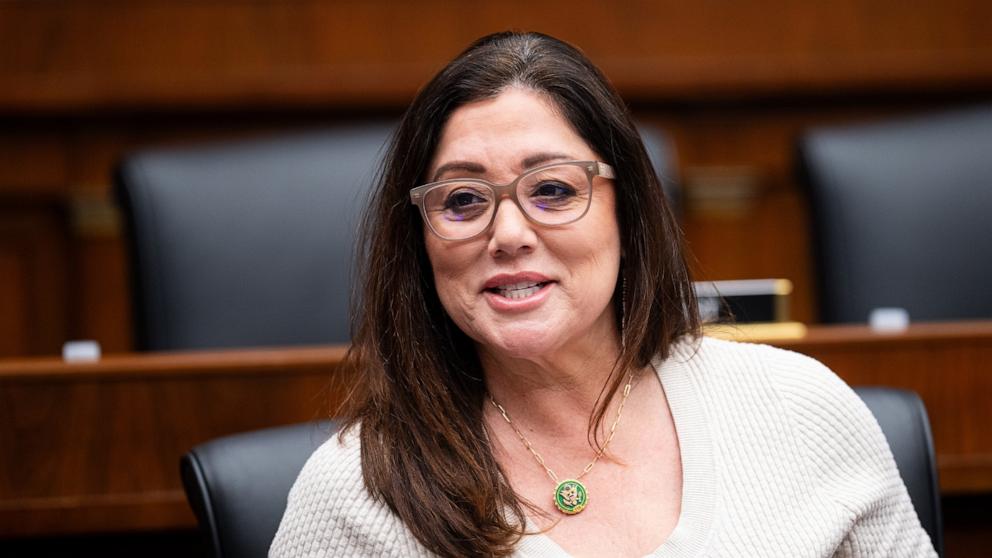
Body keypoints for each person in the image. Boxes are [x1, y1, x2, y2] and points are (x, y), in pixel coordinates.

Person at [270, 31, 936, 557]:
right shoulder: (355, 495)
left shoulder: (801, 407)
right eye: (463, 199)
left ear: (628, 210)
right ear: (418, 238)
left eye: (553, 190)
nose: (507, 234)